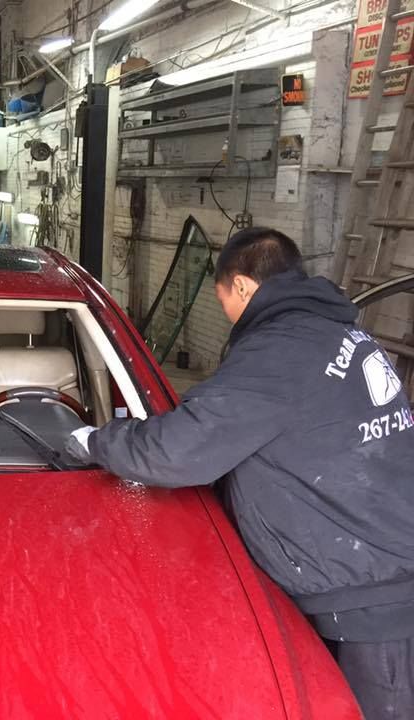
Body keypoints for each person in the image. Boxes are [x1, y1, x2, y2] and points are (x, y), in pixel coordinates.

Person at [66, 227, 414, 720]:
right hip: (375, 559)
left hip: (372, 596)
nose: (226, 312)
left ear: (244, 287)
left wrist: (95, 441)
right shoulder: (335, 333)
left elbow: (178, 450)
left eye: (222, 297)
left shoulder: (281, 351)